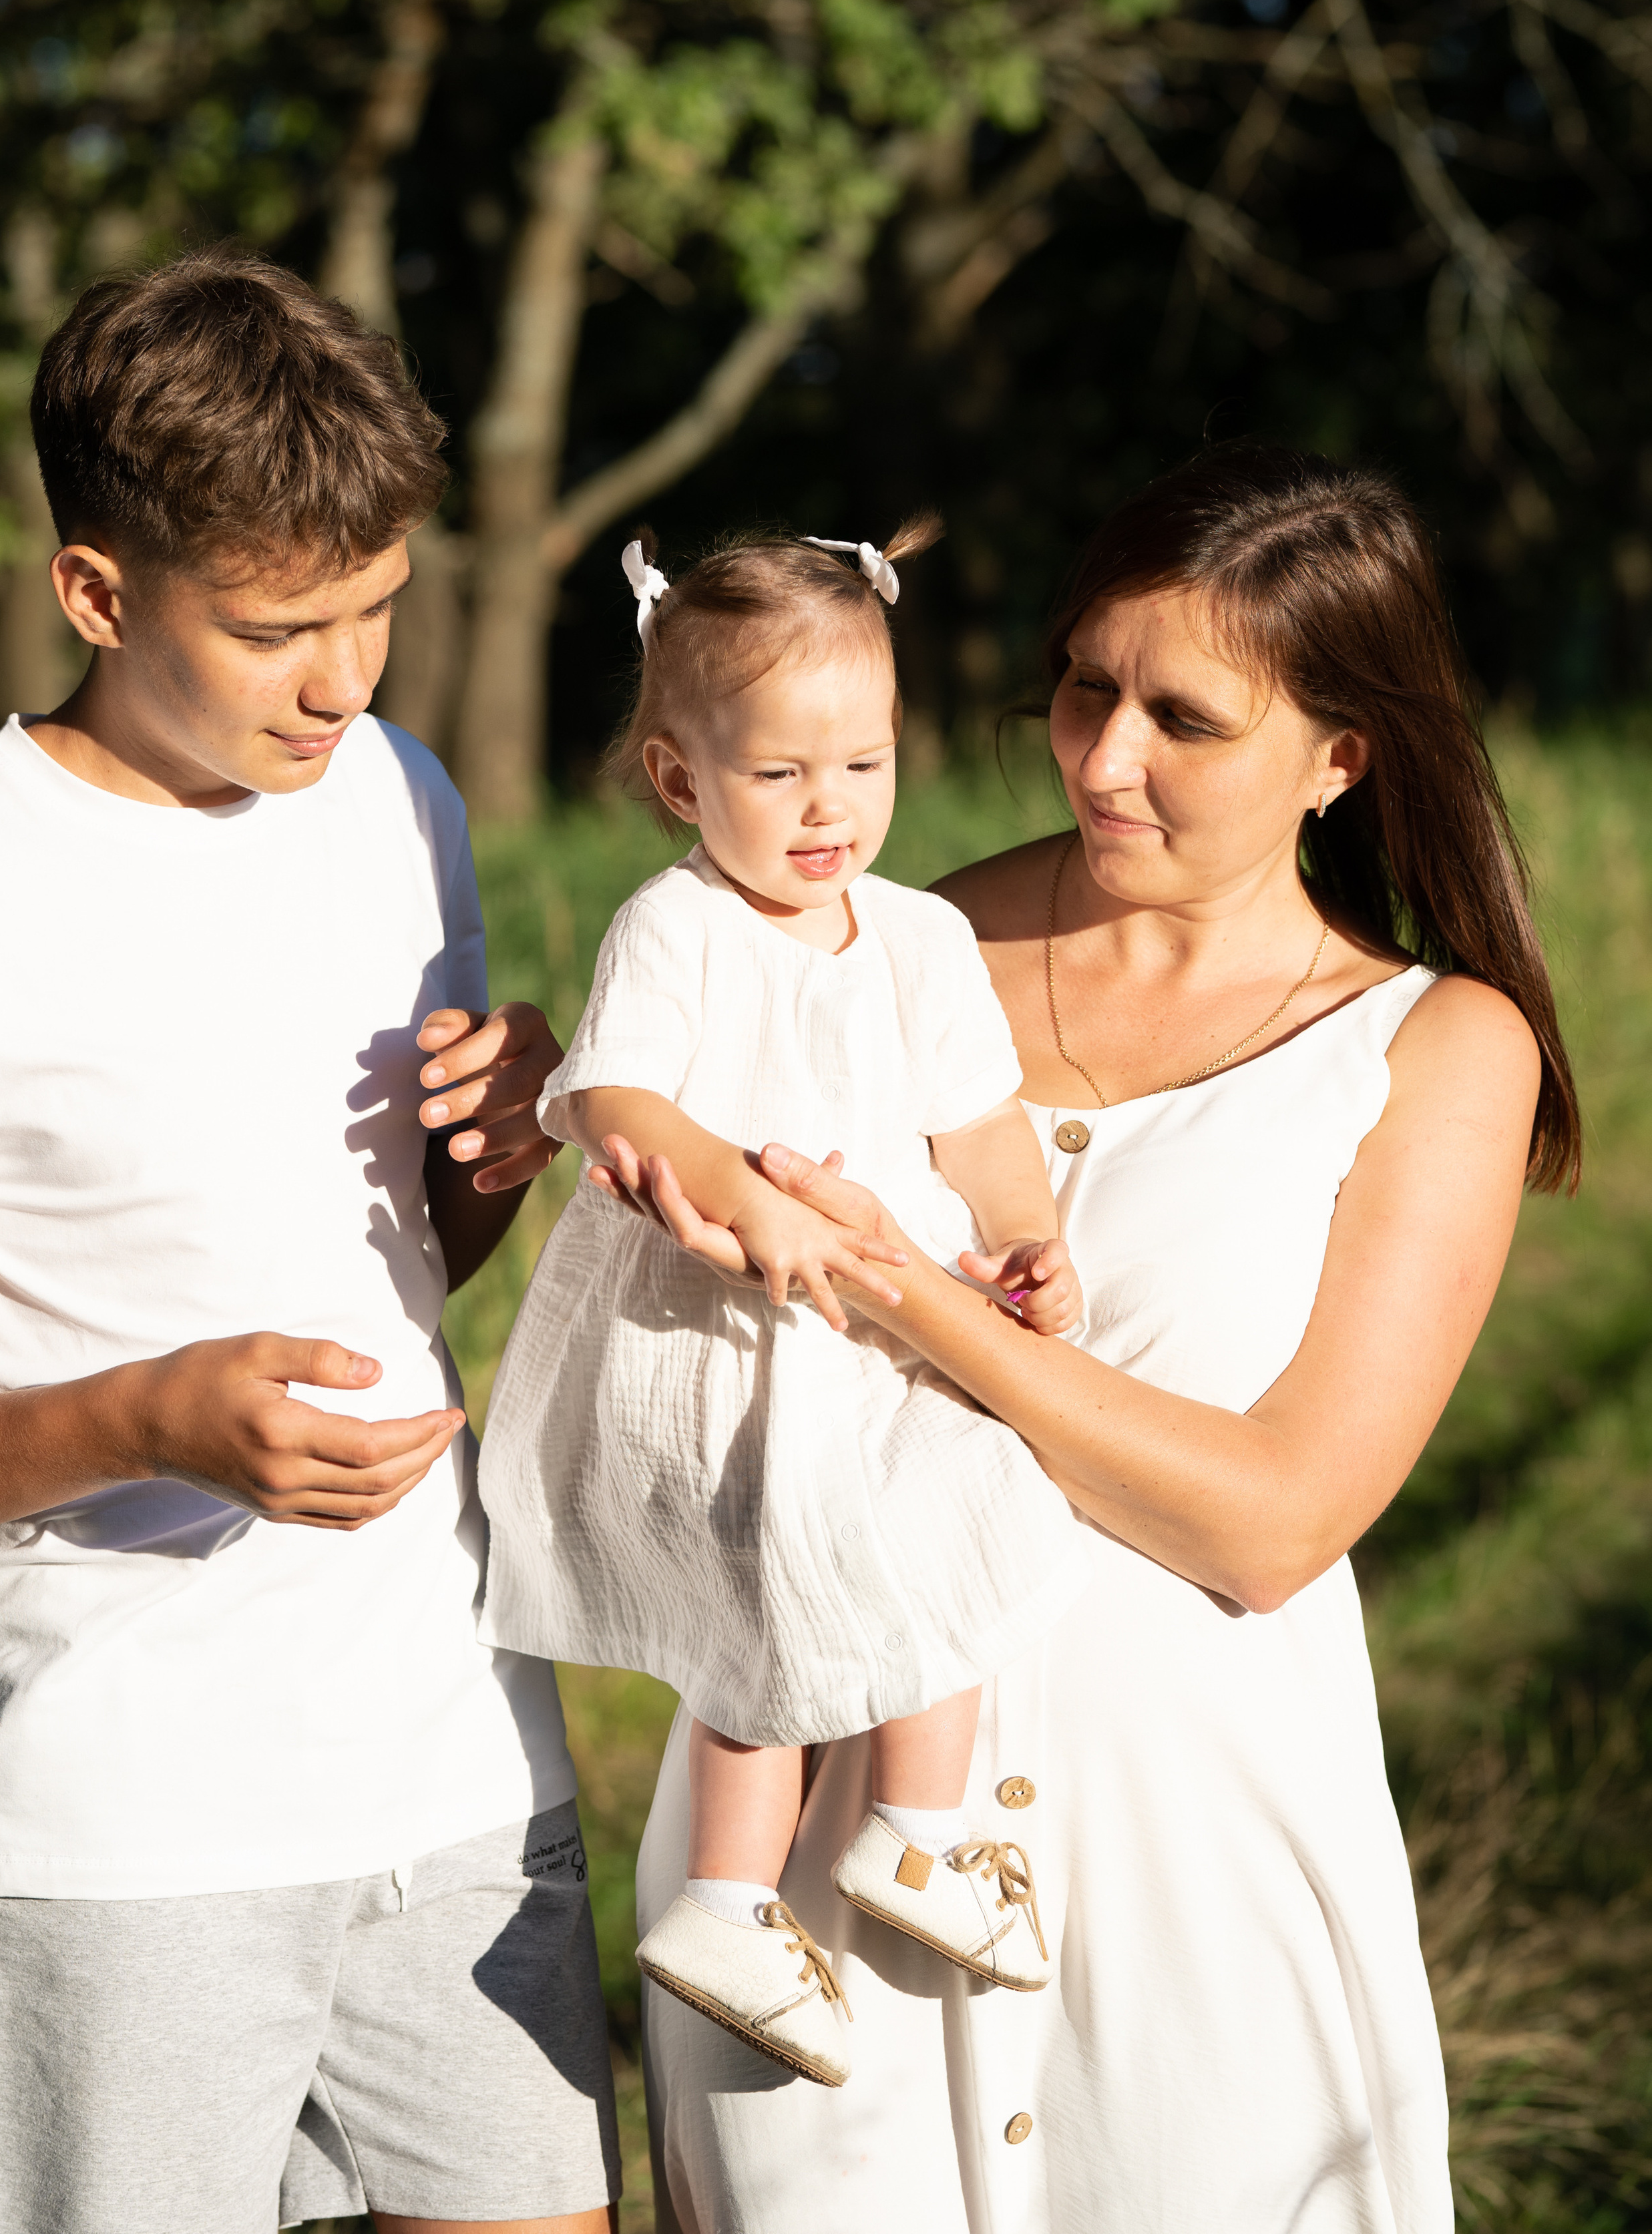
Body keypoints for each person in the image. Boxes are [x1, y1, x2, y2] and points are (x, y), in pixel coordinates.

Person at [591, 447, 1578, 2233]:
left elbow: (1272, 1522)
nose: (1102, 757)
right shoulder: (885, 943)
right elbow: (654, 1221)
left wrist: (905, 1290)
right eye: (1083, 687)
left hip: (1191, 1867)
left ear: (1341, 758)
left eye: (1181, 719)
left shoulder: (1434, 1049)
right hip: (819, 1855)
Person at [0, 248, 620, 2234]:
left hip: (459, 1744)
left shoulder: (399, 795)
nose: (345, 680)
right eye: (273, 631)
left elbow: (405, 1272)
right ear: (96, 593)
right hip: (117, 1816)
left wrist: (504, 1141)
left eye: (379, 607)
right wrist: (151, 1421)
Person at [467, 525, 1086, 2090]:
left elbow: (979, 1122)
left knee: (960, 1501)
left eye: (863, 765)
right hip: (721, 1342)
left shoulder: (922, 937)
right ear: (679, 781)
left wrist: (1025, 1236)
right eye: (779, 775)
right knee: (763, 1608)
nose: (830, 810)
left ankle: (893, 1838)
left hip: (871, 1329)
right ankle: (759, 1891)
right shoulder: (675, 926)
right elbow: (611, 1098)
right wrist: (736, 1196)